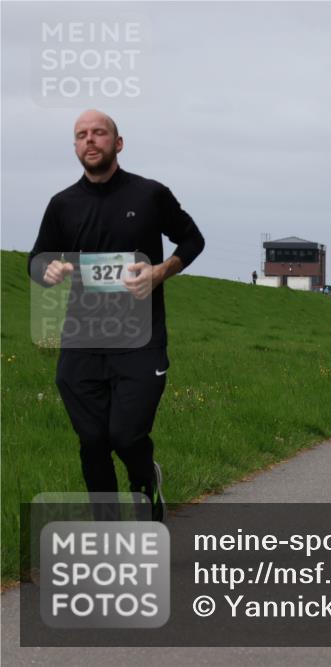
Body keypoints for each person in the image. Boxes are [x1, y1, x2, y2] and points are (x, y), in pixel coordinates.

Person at [28, 109, 205, 521]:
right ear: (75, 147)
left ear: (117, 143)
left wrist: (162, 271)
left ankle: (146, 485)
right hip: (82, 340)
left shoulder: (150, 195)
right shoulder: (62, 205)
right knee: (91, 439)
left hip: (140, 340)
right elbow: (37, 260)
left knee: (126, 436)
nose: (90, 140)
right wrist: (47, 270)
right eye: (81, 135)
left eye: (99, 133)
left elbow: (192, 238)